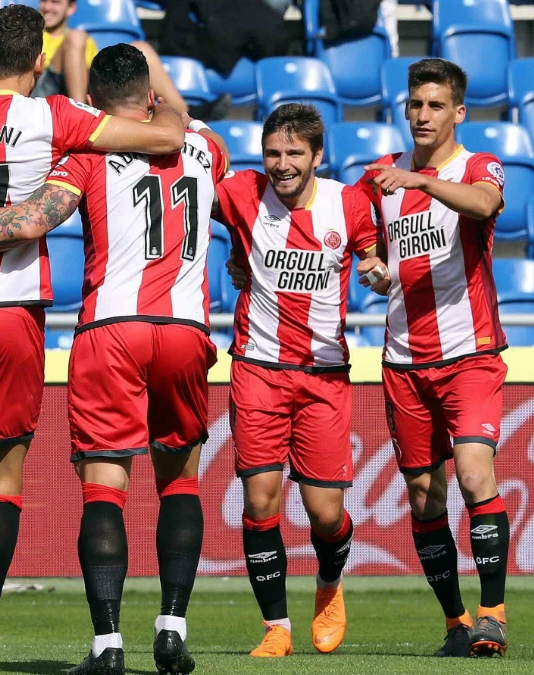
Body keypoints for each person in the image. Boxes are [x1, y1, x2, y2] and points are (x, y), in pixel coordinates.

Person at [0, 5, 185, 674]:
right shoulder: (58, 119)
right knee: (2, 480)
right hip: (14, 311)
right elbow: (165, 140)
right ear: (40, 62)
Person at [213, 104, 386, 658]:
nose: (281, 164)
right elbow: (187, 192)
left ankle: (330, 588)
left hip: (323, 375)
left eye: (293, 154)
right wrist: (233, 260)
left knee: (326, 514)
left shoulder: (349, 204)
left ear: (317, 156)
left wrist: (377, 273)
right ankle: (276, 628)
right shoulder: (241, 192)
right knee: (261, 501)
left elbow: (374, 259)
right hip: (257, 369)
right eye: (272, 152)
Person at [357, 58, 511, 658]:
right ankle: (455, 622)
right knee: (425, 497)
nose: (423, 115)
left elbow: (481, 204)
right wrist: (374, 271)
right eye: (415, 104)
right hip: (402, 360)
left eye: (435, 105)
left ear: (458, 112)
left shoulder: (477, 166)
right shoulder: (380, 179)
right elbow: (374, 253)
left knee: (475, 476)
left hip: (470, 353)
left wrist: (422, 182)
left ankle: (494, 616)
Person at [33, 0, 227, 120]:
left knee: (140, 48)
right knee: (76, 37)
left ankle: (186, 114)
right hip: (46, 92)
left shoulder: (84, 41)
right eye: (44, 1)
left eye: (55, 2)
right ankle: (80, 117)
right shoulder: (34, 34)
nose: (47, 7)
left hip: (84, 88)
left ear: (71, 8)